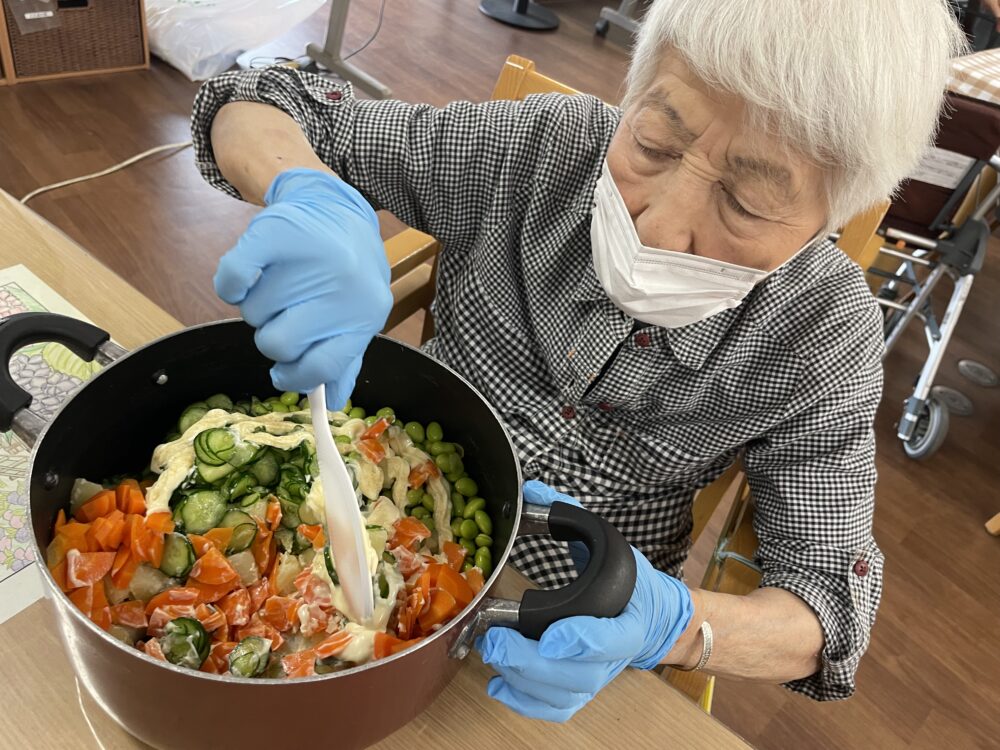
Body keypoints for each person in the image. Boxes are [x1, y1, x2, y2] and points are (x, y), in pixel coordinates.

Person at [190, 0, 965, 722]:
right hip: (384, 519)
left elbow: (827, 610)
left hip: (569, 629)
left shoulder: (824, 335)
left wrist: (674, 626)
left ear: (832, 214)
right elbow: (253, 99)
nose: (663, 228)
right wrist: (308, 189)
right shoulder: (536, 152)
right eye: (654, 145)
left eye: (747, 204)